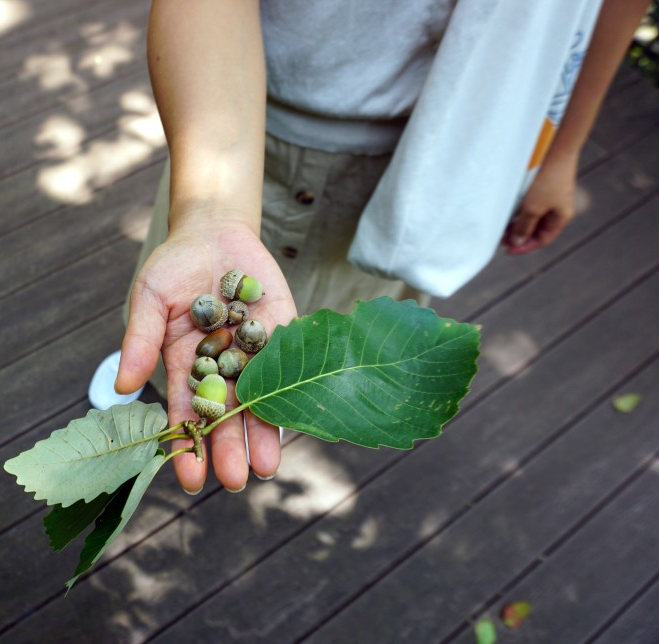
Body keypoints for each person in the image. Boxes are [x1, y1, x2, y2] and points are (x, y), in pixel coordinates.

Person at [89, 0, 650, 496]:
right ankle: (153, 379)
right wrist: (210, 212)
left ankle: (252, 398)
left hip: (444, 158)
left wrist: (563, 148)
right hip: (240, 130)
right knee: (179, 308)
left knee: (335, 324)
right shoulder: (228, 295)